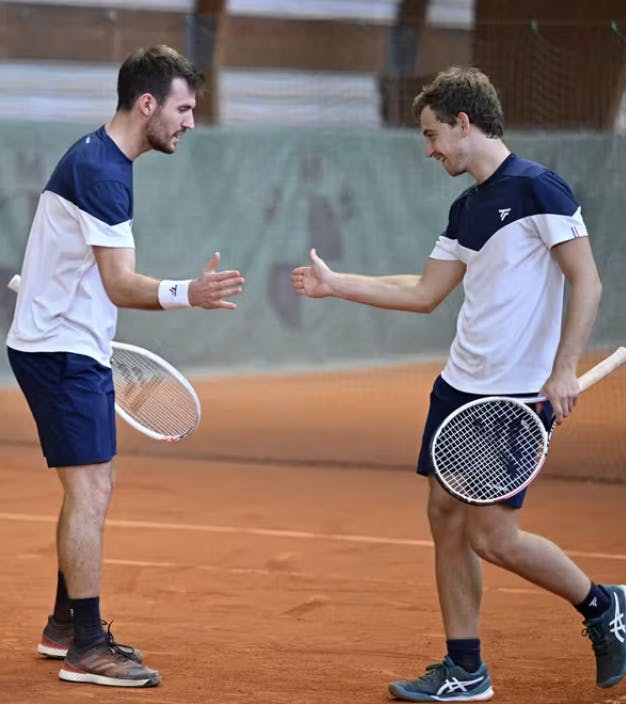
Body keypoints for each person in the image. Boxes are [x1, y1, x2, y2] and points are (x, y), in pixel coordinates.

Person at [291, 66, 625, 701]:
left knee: (493, 537)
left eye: (431, 134)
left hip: (511, 398)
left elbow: (587, 279)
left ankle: (603, 605)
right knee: (445, 518)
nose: (429, 149)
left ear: (463, 123)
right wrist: (337, 285)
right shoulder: (466, 207)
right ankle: (465, 668)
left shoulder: (539, 188)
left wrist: (563, 368)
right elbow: (425, 293)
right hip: (457, 390)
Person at [6, 44, 244, 688]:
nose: (190, 121)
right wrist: (188, 293)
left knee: (93, 485)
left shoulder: (102, 159)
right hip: (58, 350)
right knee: (89, 491)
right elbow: (119, 282)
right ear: (147, 104)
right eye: (183, 109)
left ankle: (64, 625)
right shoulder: (103, 172)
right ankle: (86, 647)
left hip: (64, 341)